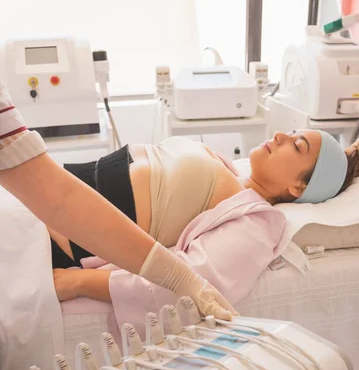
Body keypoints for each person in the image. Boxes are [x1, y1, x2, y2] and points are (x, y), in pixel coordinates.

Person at [49, 127, 359, 307]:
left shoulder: (256, 225)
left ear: (299, 187)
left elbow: (196, 281)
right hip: (41, 199)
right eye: (288, 132)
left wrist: (81, 281)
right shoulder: (228, 170)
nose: (278, 136)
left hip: (51, 238)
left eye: (295, 145)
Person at [0, 81, 236, 321]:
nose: (277, 136)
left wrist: (181, 278)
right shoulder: (219, 163)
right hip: (30, 223)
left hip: (46, 231)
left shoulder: (253, 213)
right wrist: (179, 278)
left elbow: (58, 196)